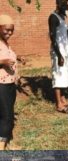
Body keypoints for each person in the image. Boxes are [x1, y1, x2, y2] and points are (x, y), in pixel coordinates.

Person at [0, 14, 25, 150]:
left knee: (7, 113)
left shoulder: (5, 43)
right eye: (6, 30)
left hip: (9, 84)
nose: (9, 33)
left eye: (11, 30)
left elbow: (7, 56)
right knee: (7, 116)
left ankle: (5, 141)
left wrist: (18, 57)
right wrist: (3, 62)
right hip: (1, 85)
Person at [49, 0, 68, 113]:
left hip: (66, 50)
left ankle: (63, 99)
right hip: (58, 51)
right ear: (58, 4)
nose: (67, 6)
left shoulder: (63, 16)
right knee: (58, 74)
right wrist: (59, 55)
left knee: (65, 74)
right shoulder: (53, 17)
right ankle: (59, 104)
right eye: (65, 4)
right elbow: (53, 38)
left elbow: (65, 36)